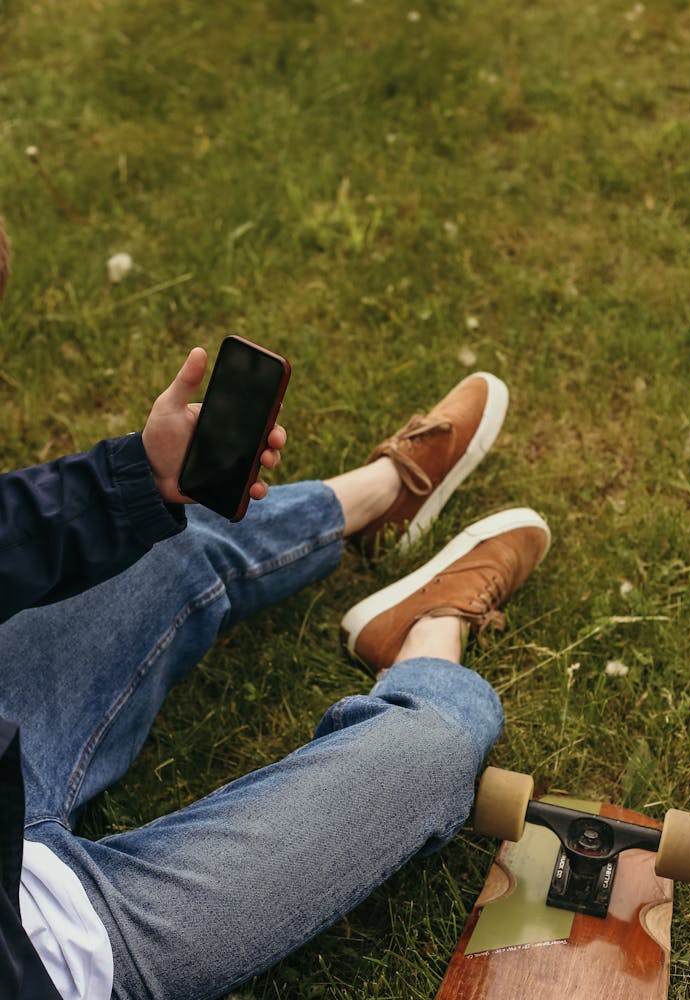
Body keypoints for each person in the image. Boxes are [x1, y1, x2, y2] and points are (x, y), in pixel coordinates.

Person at [0, 217, 551, 1000]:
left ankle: (378, 499)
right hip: (59, 947)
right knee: (433, 752)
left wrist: (129, 481)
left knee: (171, 534)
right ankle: (430, 627)